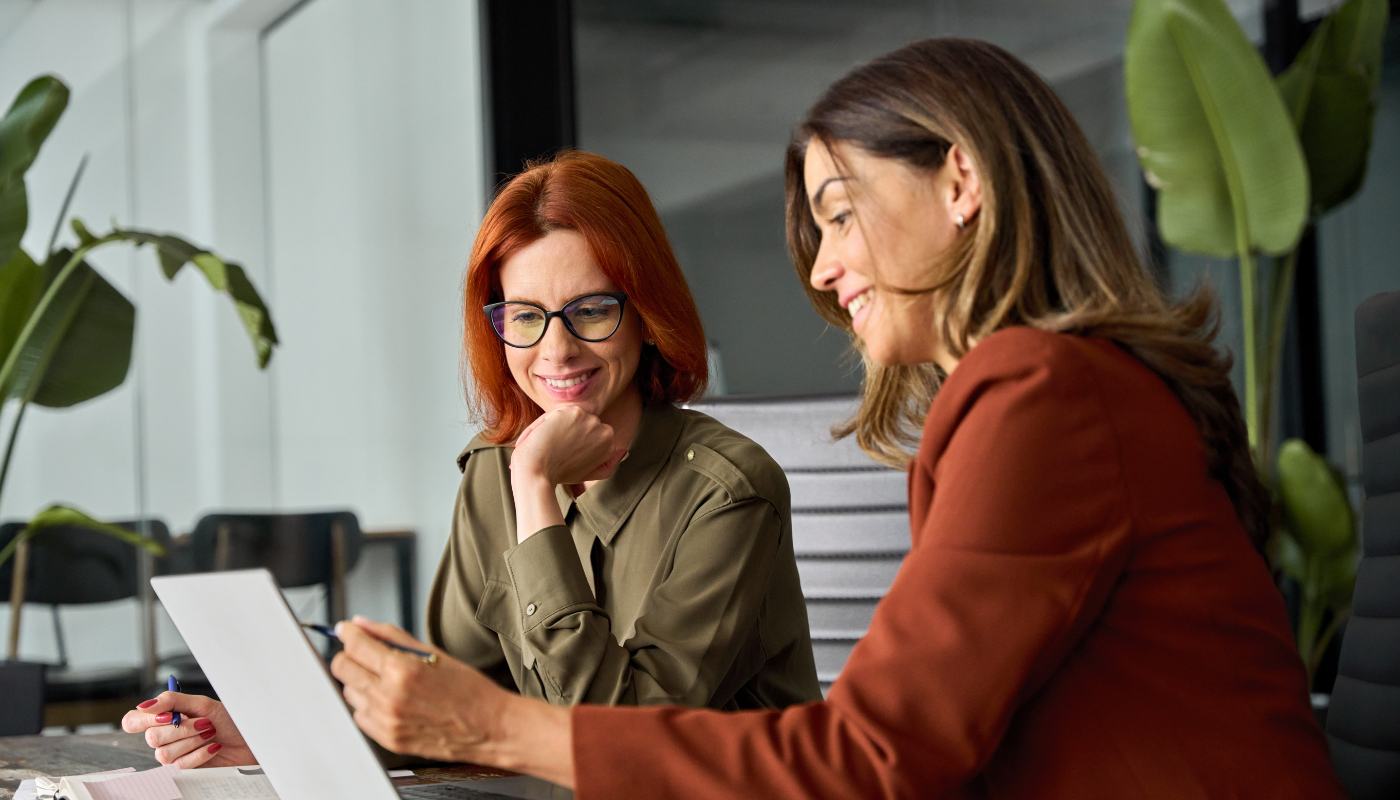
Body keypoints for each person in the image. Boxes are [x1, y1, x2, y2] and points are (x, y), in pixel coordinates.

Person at [133, 38, 1348, 798]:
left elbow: (867, 759)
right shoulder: (1058, 392)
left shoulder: (1039, 391)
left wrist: (499, 722)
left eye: (836, 209)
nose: (820, 270)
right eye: (520, 318)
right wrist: (280, 726)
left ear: (962, 181)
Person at [121, 151, 820, 768]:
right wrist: (272, 733)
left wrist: (536, 489)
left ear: (645, 311)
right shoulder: (494, 472)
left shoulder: (728, 491)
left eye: (591, 310)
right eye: (525, 316)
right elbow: (453, 701)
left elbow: (615, 739)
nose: (556, 351)